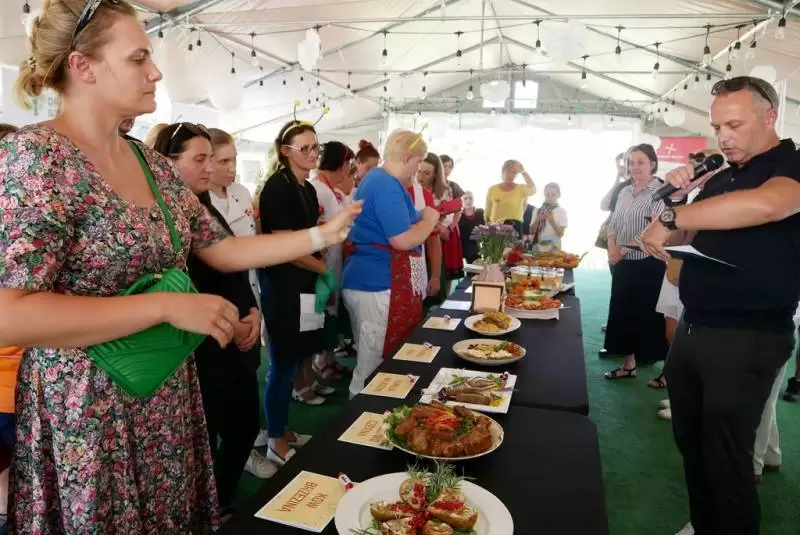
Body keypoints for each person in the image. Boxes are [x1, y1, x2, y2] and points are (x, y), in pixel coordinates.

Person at [0, 2, 359, 530]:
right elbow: (10, 313)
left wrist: (318, 236)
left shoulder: (148, 162)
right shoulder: (36, 158)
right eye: (138, 58)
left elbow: (220, 248)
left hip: (165, 392)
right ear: (82, 66)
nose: (155, 72)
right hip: (89, 410)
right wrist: (166, 307)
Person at [639, 76, 800, 535]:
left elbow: (768, 206)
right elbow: (684, 234)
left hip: (748, 334)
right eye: (717, 127)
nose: (723, 137)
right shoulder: (722, 174)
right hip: (695, 327)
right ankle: (706, 523)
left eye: (734, 124)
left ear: (769, 118)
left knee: (727, 457)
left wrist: (673, 215)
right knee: (692, 444)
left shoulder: (790, 164)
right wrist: (676, 197)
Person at [152, 123, 275, 511]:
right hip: (202, 348)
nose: (210, 168)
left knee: (243, 427)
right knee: (211, 435)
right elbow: (190, 289)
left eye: (215, 159)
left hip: (235, 336)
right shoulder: (164, 218)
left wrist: (252, 311)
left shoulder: (204, 206)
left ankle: (218, 499)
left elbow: (234, 264)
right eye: (200, 159)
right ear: (167, 163)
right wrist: (237, 325)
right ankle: (211, 505)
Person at [342, 130, 439, 398]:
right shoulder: (386, 184)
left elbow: (401, 219)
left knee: (374, 359)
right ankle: (360, 417)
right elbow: (402, 239)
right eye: (418, 162)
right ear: (407, 157)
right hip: (377, 283)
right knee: (372, 365)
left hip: (373, 280)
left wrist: (422, 215)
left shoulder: (382, 180)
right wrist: (429, 221)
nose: (418, 169)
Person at [257, 118, 332, 465]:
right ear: (286, 152)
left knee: (298, 357)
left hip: (304, 285)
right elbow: (285, 246)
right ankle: (274, 439)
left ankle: (282, 428)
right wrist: (323, 269)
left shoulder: (308, 188)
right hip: (283, 287)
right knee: (282, 365)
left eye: (316, 146)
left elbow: (308, 234)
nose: (313, 153)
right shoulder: (277, 187)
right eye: (306, 148)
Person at [603, 144, 669, 380]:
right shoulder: (624, 191)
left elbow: (654, 228)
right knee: (623, 313)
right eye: (631, 162)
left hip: (648, 264)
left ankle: (665, 372)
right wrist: (612, 247)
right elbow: (613, 222)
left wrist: (621, 250)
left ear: (653, 164)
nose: (634, 167)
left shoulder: (660, 191)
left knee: (647, 316)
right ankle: (628, 364)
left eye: (640, 162)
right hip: (622, 263)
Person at [310, 141, 356, 381]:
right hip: (324, 260)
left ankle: (328, 360)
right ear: (342, 164)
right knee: (323, 312)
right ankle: (319, 364)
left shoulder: (331, 190)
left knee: (332, 311)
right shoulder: (318, 189)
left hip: (335, 258)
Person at [484, 159, 535, 235]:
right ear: (502, 172)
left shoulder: (520, 188)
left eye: (514, 172)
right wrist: (488, 228)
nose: (510, 175)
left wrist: (523, 171)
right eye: (508, 171)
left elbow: (533, 189)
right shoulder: (492, 189)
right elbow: (487, 212)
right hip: (495, 229)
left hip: (515, 229)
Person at [530, 183, 567, 249]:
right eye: (547, 194)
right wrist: (538, 219)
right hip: (538, 247)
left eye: (553, 195)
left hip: (554, 248)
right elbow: (532, 231)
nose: (550, 197)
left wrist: (551, 220)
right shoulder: (537, 210)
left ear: (559, 195)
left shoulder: (562, 212)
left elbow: (561, 234)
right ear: (544, 194)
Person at [458, 191, 485, 264]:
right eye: (465, 198)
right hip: (462, 245)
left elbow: (484, 228)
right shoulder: (458, 214)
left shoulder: (480, 212)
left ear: (474, 199)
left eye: (470, 198)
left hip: (476, 245)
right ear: (462, 200)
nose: (468, 201)